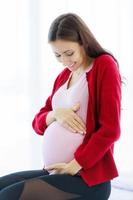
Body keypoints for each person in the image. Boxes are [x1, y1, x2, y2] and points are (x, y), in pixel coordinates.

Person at [0, 13, 121, 200]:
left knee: (10, 196)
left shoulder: (103, 66)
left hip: (86, 179)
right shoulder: (64, 76)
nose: (65, 61)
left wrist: (76, 164)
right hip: (56, 173)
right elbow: (38, 122)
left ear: (83, 42)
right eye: (58, 55)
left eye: (69, 53)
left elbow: (110, 130)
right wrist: (56, 114)